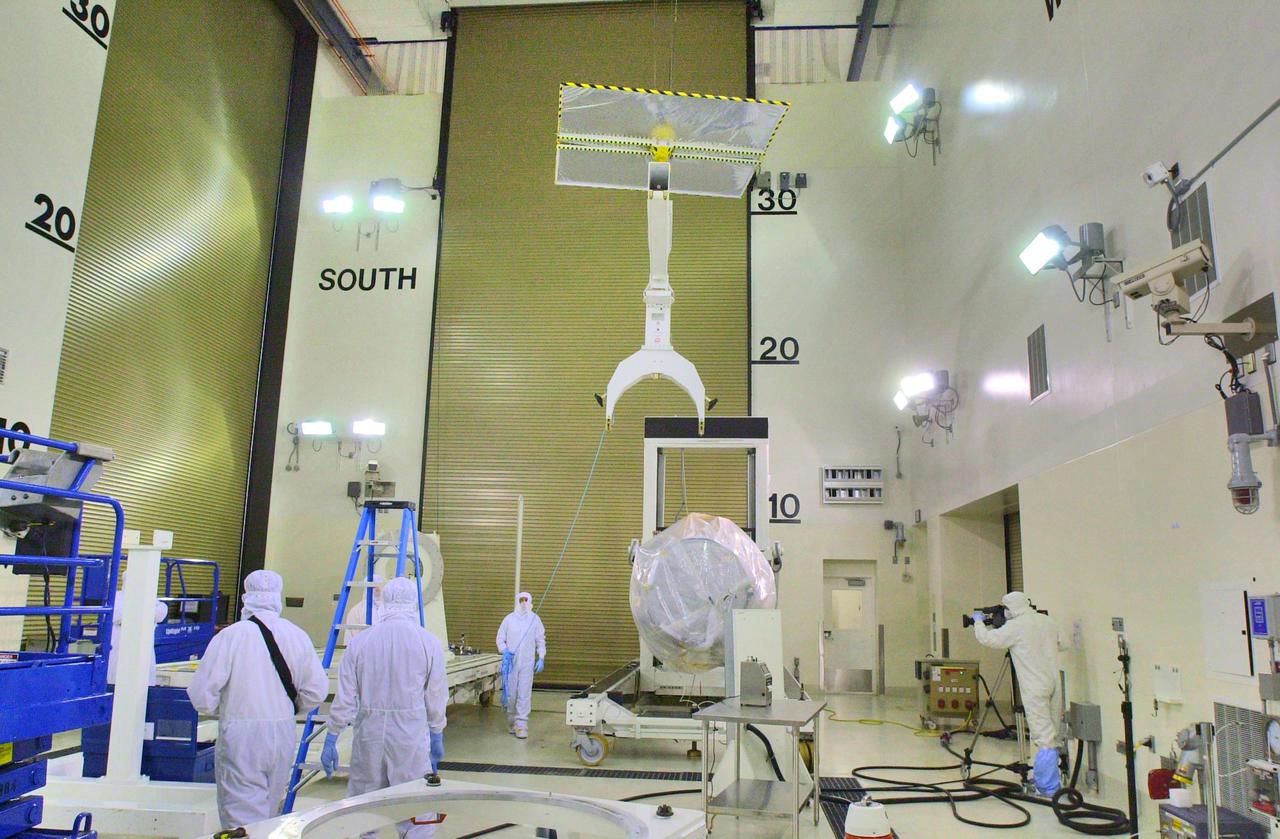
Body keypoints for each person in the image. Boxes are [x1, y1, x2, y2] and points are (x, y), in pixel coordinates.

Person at [187, 570, 328, 829]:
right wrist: (289, 709)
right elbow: (317, 690)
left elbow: (202, 696)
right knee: (270, 813)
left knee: (241, 817)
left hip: (242, 733)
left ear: (246, 596)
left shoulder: (231, 636)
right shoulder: (297, 636)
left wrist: (229, 708)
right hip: (283, 731)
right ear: (278, 597)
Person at [322, 576, 447, 838]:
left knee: (364, 811)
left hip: (369, 733)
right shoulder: (427, 641)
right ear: (414, 601)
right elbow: (435, 695)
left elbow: (344, 698)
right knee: (416, 809)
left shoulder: (361, 642)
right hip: (409, 736)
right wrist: (437, 733)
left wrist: (332, 735)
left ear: (386, 601)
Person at [971, 591, 1063, 796]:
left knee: (1043, 735)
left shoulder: (1016, 627)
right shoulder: (1047, 621)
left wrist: (978, 622)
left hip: (1035, 686)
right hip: (1054, 683)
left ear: (1011, 609)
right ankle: (1049, 776)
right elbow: (1062, 644)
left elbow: (988, 639)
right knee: (1053, 732)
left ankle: (1047, 787)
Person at [495, 591, 545, 739]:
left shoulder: (535, 620)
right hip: (511, 663)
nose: (523, 603)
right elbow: (500, 638)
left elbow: (540, 640)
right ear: (517, 601)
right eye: (521, 600)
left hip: (527, 664)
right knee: (511, 694)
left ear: (530, 601)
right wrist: (504, 651)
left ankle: (522, 725)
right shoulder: (509, 619)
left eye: (526, 600)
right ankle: (511, 722)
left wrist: (541, 657)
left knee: (524, 693)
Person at [341, 572, 385, 646]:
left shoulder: (390, 609)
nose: (377, 589)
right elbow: (350, 638)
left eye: (379, 586)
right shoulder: (356, 611)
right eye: (373, 587)